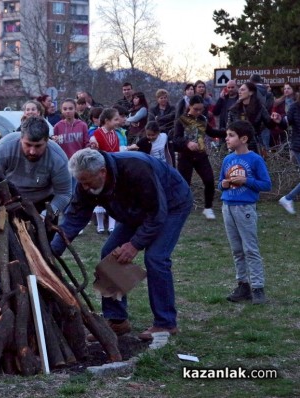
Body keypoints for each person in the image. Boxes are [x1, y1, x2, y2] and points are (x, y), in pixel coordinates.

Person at [50, 148, 192, 340]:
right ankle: (117, 321)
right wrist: (52, 252)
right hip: (134, 210)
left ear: (102, 172)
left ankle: (166, 323)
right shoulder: (87, 182)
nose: (84, 188)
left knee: (156, 257)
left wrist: (134, 245)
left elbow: (157, 213)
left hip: (171, 204)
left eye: (87, 182)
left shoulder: (136, 168)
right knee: (110, 253)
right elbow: (75, 217)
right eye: (80, 182)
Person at [218, 120, 271, 305]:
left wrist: (246, 181)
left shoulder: (255, 159)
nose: (227, 139)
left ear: (244, 138)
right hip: (228, 207)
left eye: (231, 135)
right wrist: (223, 185)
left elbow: (266, 184)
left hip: (245, 208)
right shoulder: (227, 159)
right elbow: (220, 183)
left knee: (250, 248)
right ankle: (243, 285)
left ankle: (258, 287)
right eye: (227, 135)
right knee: (236, 250)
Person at [0, 116, 71, 216]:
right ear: (21, 138)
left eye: (38, 146)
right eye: (28, 145)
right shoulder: (4, 147)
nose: (32, 151)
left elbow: (64, 194)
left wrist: (47, 214)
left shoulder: (58, 159)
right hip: (9, 202)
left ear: (47, 140)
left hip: (43, 203)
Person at [173, 95, 226, 220]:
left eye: (200, 109)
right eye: (195, 109)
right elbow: (176, 139)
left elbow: (212, 132)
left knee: (209, 180)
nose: (198, 112)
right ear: (190, 106)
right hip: (185, 156)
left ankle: (208, 208)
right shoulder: (181, 120)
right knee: (185, 184)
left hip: (201, 155)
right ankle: (183, 207)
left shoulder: (203, 119)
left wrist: (226, 131)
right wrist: (187, 143)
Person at [227, 82, 285, 154]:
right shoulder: (234, 109)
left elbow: (269, 124)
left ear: (251, 92)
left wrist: (275, 120)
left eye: (243, 90)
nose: (239, 92)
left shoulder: (259, 108)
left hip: (254, 146)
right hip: (237, 146)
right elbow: (229, 128)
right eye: (239, 89)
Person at [90, 108, 121, 234]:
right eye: (115, 119)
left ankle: (112, 225)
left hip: (113, 168)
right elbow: (93, 148)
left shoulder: (115, 134)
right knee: (100, 196)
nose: (118, 122)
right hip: (101, 170)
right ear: (107, 121)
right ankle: (100, 225)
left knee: (113, 195)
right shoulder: (97, 134)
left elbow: (117, 151)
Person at [278, 92, 300, 215]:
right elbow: (285, 123)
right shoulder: (295, 107)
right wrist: (279, 120)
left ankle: (288, 198)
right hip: (298, 146)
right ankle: (287, 198)